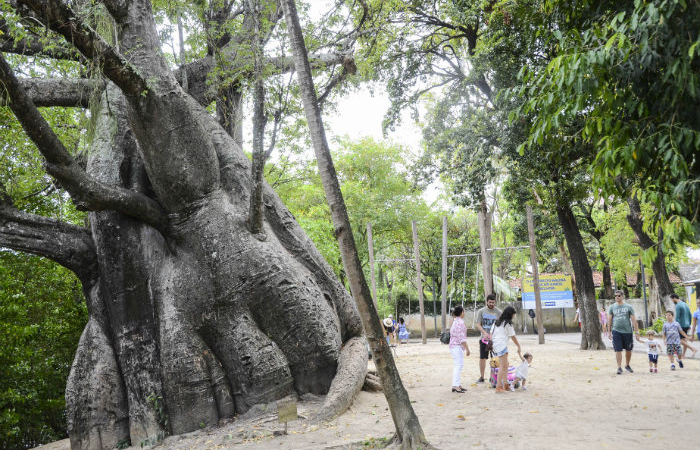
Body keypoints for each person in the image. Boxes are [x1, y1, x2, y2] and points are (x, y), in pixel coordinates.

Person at [606, 290, 640, 375]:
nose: (617, 297)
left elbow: (633, 320)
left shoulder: (629, 307)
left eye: (619, 296)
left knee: (628, 350)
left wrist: (637, 332)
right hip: (616, 331)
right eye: (616, 296)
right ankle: (619, 367)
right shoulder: (612, 307)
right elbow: (609, 320)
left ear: (622, 296)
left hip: (627, 331)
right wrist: (609, 331)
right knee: (618, 350)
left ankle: (627, 365)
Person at [491, 305, 521, 393]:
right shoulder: (507, 324)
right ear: (510, 314)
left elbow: (491, 333)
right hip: (501, 345)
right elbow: (513, 336)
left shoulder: (497, 322)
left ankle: (505, 385)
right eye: (513, 314)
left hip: (496, 345)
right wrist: (518, 346)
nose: (514, 316)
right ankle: (499, 387)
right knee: (503, 366)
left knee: (505, 365)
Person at [474, 294, 502, 383]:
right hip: (484, 339)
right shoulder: (481, 311)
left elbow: (500, 325)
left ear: (495, 302)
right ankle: (482, 377)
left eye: (493, 302)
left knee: (494, 359)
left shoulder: (499, 312)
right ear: (486, 302)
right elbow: (478, 324)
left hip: (495, 340)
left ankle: (492, 377)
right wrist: (485, 333)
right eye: (490, 302)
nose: (491, 304)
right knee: (482, 358)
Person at [448, 305, 470, 393]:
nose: (464, 313)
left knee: (458, 365)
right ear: (461, 313)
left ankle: (457, 384)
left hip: (454, 346)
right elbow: (462, 338)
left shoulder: (455, 321)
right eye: (463, 311)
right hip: (457, 346)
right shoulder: (460, 323)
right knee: (458, 366)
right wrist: (467, 349)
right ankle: (456, 385)